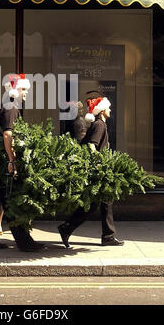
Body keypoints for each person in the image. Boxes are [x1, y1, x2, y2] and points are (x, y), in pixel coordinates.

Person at [0, 74, 45, 252]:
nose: (26, 93)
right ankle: (24, 242)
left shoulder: (6, 105)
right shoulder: (11, 107)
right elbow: (8, 135)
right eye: (23, 89)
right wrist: (12, 159)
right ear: (15, 90)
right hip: (4, 161)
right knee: (10, 200)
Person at [58, 96, 125, 247]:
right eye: (108, 108)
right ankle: (67, 228)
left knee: (103, 202)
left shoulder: (99, 124)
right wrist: (99, 164)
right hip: (98, 170)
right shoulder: (99, 125)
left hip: (99, 170)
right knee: (94, 204)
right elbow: (92, 146)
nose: (110, 110)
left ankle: (107, 235)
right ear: (101, 111)